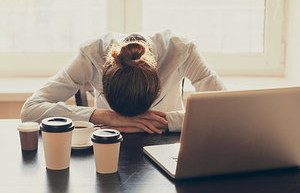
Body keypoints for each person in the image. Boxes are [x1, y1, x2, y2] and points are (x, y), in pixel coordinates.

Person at [21, 30, 226, 134]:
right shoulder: (92, 53)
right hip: (109, 138)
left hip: (169, 142)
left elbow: (226, 110)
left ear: (157, 81)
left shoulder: (181, 50)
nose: (135, 120)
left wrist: (165, 121)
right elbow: (30, 110)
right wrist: (106, 117)